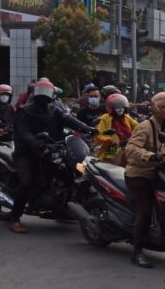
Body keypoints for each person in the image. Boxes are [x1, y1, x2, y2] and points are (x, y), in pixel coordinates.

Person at [10, 80, 95, 234]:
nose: (43, 95)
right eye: (41, 91)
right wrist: (38, 144)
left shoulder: (54, 110)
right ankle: (15, 218)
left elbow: (70, 120)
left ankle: (60, 207)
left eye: (46, 91)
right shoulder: (24, 111)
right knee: (27, 182)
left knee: (67, 174)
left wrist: (88, 129)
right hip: (27, 153)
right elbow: (24, 133)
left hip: (50, 150)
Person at [124, 92, 165, 267]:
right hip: (139, 175)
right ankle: (137, 252)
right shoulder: (145, 126)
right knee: (145, 210)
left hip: (155, 173)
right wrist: (149, 156)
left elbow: (164, 148)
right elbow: (130, 149)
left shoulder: (161, 127)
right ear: (162, 109)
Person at [95, 94, 139, 166]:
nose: (120, 109)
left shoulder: (126, 117)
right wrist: (110, 140)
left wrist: (146, 126)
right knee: (111, 163)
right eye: (117, 107)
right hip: (113, 146)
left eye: (122, 107)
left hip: (128, 144)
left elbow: (138, 126)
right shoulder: (105, 118)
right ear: (111, 108)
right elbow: (99, 133)